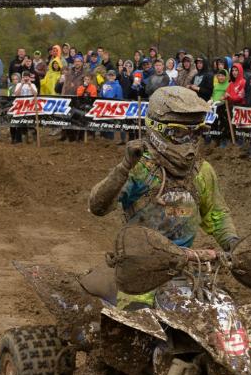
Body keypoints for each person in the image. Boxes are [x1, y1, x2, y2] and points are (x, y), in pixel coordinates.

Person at [88, 86, 239, 309]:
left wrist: (233, 243)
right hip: (139, 272)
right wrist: (124, 167)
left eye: (196, 132)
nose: (189, 140)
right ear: (158, 129)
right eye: (180, 133)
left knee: (218, 313)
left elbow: (216, 213)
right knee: (134, 328)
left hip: (186, 270)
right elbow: (97, 206)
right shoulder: (140, 167)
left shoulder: (201, 171)